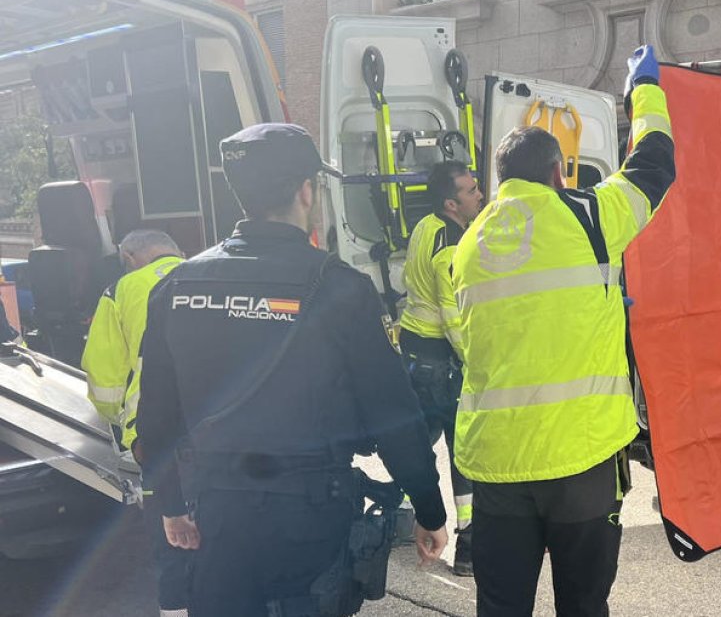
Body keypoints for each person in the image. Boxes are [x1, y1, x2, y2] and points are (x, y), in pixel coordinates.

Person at [137, 123, 448, 617]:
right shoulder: (339, 287)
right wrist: (429, 509)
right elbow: (394, 415)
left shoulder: (178, 286)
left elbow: (154, 419)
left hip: (218, 513)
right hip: (311, 517)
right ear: (307, 190)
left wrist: (171, 505)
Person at [451, 45, 675, 616]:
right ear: (559, 172)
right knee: (581, 604)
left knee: (501, 606)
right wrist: (643, 87)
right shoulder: (590, 216)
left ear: (499, 179)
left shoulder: (469, 245)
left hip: (496, 466)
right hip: (582, 461)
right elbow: (655, 162)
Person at [80, 228, 190, 617]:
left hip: (154, 441)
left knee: (172, 543)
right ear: (177, 251)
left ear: (128, 257)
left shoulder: (121, 290)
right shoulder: (207, 276)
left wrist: (118, 425)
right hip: (216, 436)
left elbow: (104, 379)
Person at [397, 160, 484, 576]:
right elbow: (454, 321)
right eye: (471, 191)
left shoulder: (425, 226)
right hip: (441, 364)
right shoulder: (451, 247)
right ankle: (469, 548)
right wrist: (479, 363)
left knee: (414, 444)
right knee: (463, 455)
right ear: (452, 203)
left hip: (414, 353)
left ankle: (398, 514)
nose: (480, 195)